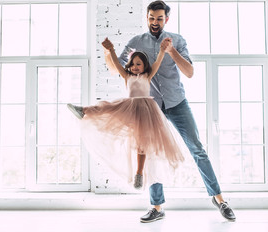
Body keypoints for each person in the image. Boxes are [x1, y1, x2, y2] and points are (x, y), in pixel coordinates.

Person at [102, 0, 236, 223]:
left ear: (167, 19)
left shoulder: (178, 40)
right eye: (152, 18)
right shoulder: (136, 42)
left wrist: (171, 50)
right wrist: (109, 52)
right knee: (151, 153)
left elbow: (190, 72)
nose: (155, 22)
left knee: (197, 149)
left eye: (160, 18)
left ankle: (220, 199)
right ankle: (157, 206)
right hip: (151, 107)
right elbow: (114, 67)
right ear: (147, 17)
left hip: (177, 103)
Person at [67, 37, 184, 190]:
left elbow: (157, 63)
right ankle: (84, 111)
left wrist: (162, 50)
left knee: (142, 143)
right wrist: (111, 50)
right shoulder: (127, 76)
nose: (135, 67)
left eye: (138, 64)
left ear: (144, 66)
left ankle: (139, 174)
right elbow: (116, 63)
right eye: (133, 64)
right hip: (130, 107)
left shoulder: (147, 76)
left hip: (146, 110)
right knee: (108, 108)